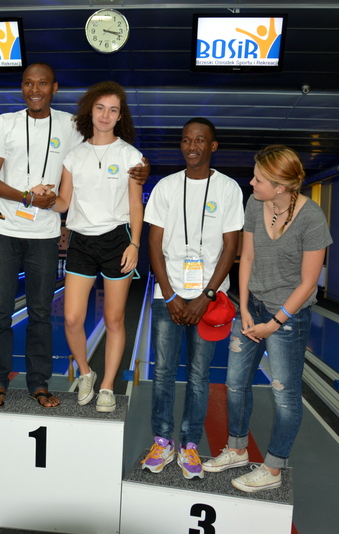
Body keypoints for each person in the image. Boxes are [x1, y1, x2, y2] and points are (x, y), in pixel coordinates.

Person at [0, 63, 149, 408]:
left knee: (44, 312)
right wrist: (31, 197)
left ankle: (42, 383)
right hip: (10, 227)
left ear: (54, 88)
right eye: (29, 83)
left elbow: (121, 165)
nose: (35, 89)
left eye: (42, 83)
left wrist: (144, 171)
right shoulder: (6, 123)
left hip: (51, 232)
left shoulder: (71, 127)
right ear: (22, 87)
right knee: (1, 310)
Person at [203, 145, 332, 492]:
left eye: (258, 179)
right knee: (234, 383)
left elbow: (308, 282)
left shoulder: (311, 218)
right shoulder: (254, 204)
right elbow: (246, 258)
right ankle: (236, 449)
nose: (251, 182)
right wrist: (244, 308)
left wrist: (274, 323)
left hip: (288, 318)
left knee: (284, 394)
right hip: (253, 308)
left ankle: (273, 469)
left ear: (280, 186)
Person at [141, 118, 244, 479]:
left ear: (213, 146)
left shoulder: (228, 189)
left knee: (199, 376)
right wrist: (170, 293)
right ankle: (162, 441)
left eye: (200, 140)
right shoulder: (166, 187)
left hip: (209, 298)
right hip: (167, 295)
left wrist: (207, 295)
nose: (192, 146)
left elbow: (231, 246)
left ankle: (189, 445)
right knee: (163, 372)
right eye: (186, 140)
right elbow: (154, 243)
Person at [45, 81, 143, 412]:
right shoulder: (74, 156)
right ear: (90, 111)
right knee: (72, 318)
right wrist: (43, 198)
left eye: (113, 110)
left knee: (114, 319)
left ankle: (107, 386)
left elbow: (135, 205)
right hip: (82, 242)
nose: (105, 115)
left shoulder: (130, 155)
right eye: (100, 108)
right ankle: (86, 372)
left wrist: (135, 244)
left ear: (120, 116)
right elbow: (63, 202)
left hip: (117, 240)